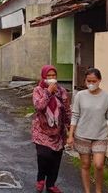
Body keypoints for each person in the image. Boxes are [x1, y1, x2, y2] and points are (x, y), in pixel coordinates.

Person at [67, 68, 108, 193]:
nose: (91, 83)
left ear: (99, 80)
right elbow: (75, 115)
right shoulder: (80, 96)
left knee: (99, 165)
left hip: (100, 136)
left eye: (94, 81)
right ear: (85, 81)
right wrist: (71, 135)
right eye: (88, 81)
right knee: (85, 164)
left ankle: (98, 191)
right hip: (82, 135)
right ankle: (87, 191)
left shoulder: (107, 97)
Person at [32, 65, 71, 193]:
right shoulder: (38, 90)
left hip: (57, 132)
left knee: (55, 158)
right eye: (48, 76)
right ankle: (40, 179)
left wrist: (69, 127)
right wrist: (48, 92)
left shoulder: (62, 91)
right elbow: (39, 106)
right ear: (43, 77)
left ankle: (51, 184)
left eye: (53, 76)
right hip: (41, 130)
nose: (51, 78)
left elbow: (66, 110)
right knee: (44, 155)